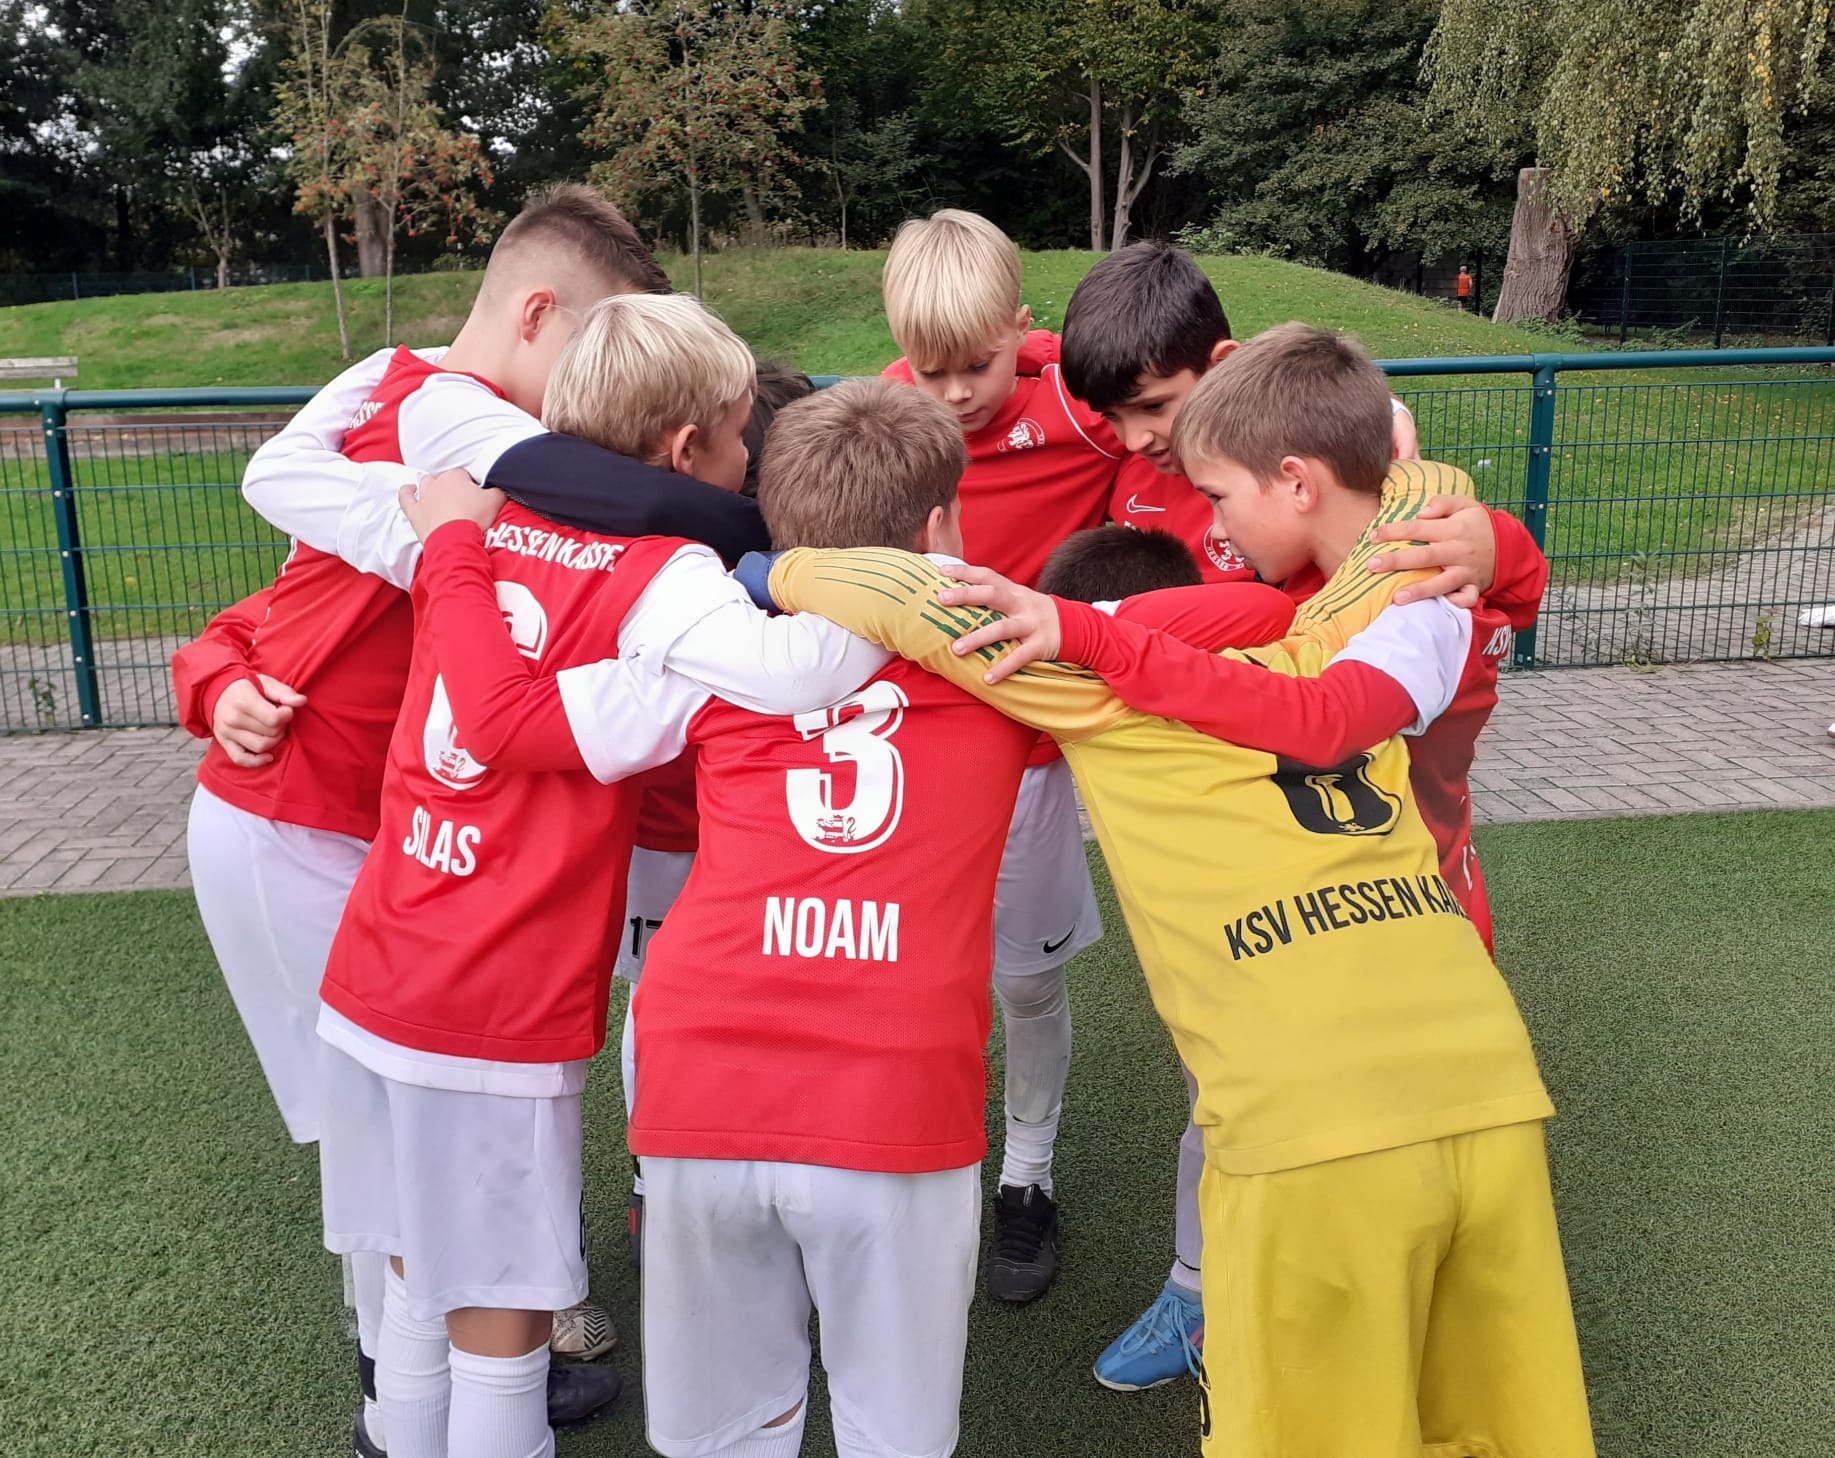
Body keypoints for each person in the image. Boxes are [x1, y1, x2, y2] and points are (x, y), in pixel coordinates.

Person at [754, 325, 1596, 1458]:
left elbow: (919, 602)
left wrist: (774, 568)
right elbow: (1411, 483)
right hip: (1486, 1079)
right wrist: (1491, 535)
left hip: (1308, 1133)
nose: (1216, 527)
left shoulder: (1094, 684)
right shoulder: (1366, 616)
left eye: (1219, 495)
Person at [173, 183, 739, 1450]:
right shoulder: (451, 441)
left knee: (402, 1156)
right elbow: (279, 580)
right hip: (303, 827)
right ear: (536, 316)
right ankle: (409, 1395)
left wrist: (222, 669)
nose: (598, 383)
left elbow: (285, 582)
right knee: (389, 1162)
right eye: (592, 341)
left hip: (384, 850)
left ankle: (423, 1395)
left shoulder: (470, 444)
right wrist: (223, 674)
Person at [313, 292, 889, 1458]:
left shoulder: (475, 506)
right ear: (686, 448)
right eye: (740, 434)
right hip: (492, 999)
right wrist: (904, 578)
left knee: (421, 1267)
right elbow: (805, 671)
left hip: (379, 957)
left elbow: (365, 450)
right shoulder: (665, 578)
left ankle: (394, 1436)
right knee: (503, 1313)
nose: (748, 459)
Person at [1056, 245, 1550, 1385]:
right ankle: (1205, 1294)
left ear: (1289, 478)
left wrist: (1498, 546)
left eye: (1159, 413)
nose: (1144, 446)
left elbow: (1328, 705)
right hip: (1276, 905)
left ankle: (1373, 1326)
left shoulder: (1415, 585)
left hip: (1408, 904)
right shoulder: (1303, 543)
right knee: (1239, 1106)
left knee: (1389, 1132)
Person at [878, 208, 1122, 1299]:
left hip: (1028, 759)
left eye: (974, 366)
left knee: (1022, 979)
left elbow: (1189, 387)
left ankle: (1027, 1177)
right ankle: (904, 1158)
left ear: (1018, 330)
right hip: (910, 759)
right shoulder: (886, 416)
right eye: (927, 368)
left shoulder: (1083, 406)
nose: (951, 395)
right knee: (910, 981)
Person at [614, 358, 817, 1269]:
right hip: (673, 825)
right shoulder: (662, 555)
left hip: (748, 826)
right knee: (662, 1005)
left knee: (692, 1005)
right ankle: (655, 1182)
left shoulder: (797, 562)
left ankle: (692, 1181)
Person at [1065, 241, 1422, 580]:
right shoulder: (1109, 455)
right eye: (1110, 416)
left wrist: (1386, 410)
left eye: (1153, 407)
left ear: (1221, 365)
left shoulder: (1310, 456)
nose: (1133, 440)